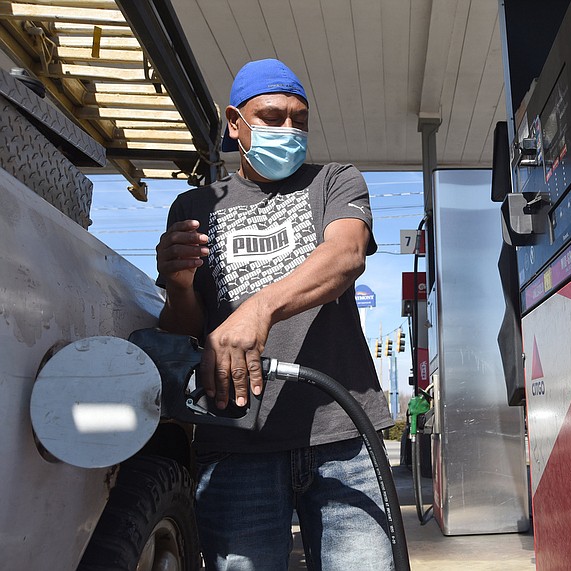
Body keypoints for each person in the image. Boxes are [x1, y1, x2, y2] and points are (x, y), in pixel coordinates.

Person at [155, 58, 395, 571]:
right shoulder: (196, 204)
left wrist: (257, 309)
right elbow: (183, 331)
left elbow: (346, 256)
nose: (289, 130)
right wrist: (177, 287)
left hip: (343, 435)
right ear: (234, 121)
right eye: (271, 117)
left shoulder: (334, 181)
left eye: (299, 120)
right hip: (238, 439)